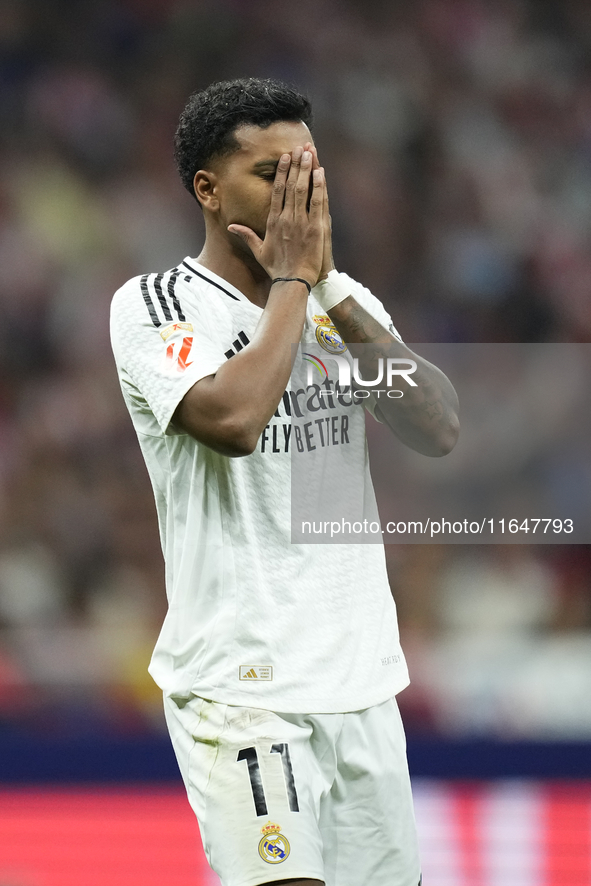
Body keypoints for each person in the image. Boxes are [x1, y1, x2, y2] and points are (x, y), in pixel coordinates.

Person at [110, 77, 458, 886]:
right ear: (208, 188)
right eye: (271, 174)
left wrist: (325, 285)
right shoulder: (156, 305)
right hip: (243, 690)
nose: (298, 194)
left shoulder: (342, 301)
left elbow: (437, 428)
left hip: (362, 683)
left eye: (309, 172)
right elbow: (231, 423)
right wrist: (294, 286)